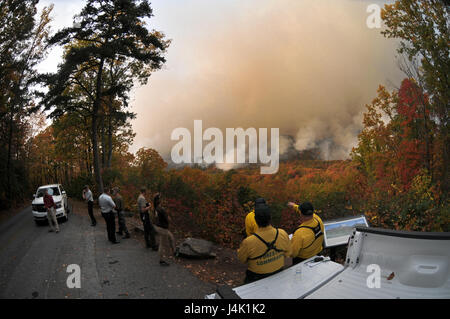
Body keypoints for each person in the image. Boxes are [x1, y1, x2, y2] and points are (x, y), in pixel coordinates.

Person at [237, 201, 291, 284]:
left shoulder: (248, 242)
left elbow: (242, 259)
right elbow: (288, 254)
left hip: (256, 277)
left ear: (256, 219)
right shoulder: (282, 233)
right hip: (278, 271)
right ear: (270, 218)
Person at [153, 193, 176, 266]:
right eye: (161, 199)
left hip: (158, 227)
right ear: (159, 200)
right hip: (162, 229)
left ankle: (174, 251)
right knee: (162, 244)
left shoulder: (156, 208)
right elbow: (167, 219)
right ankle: (162, 260)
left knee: (171, 237)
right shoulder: (161, 209)